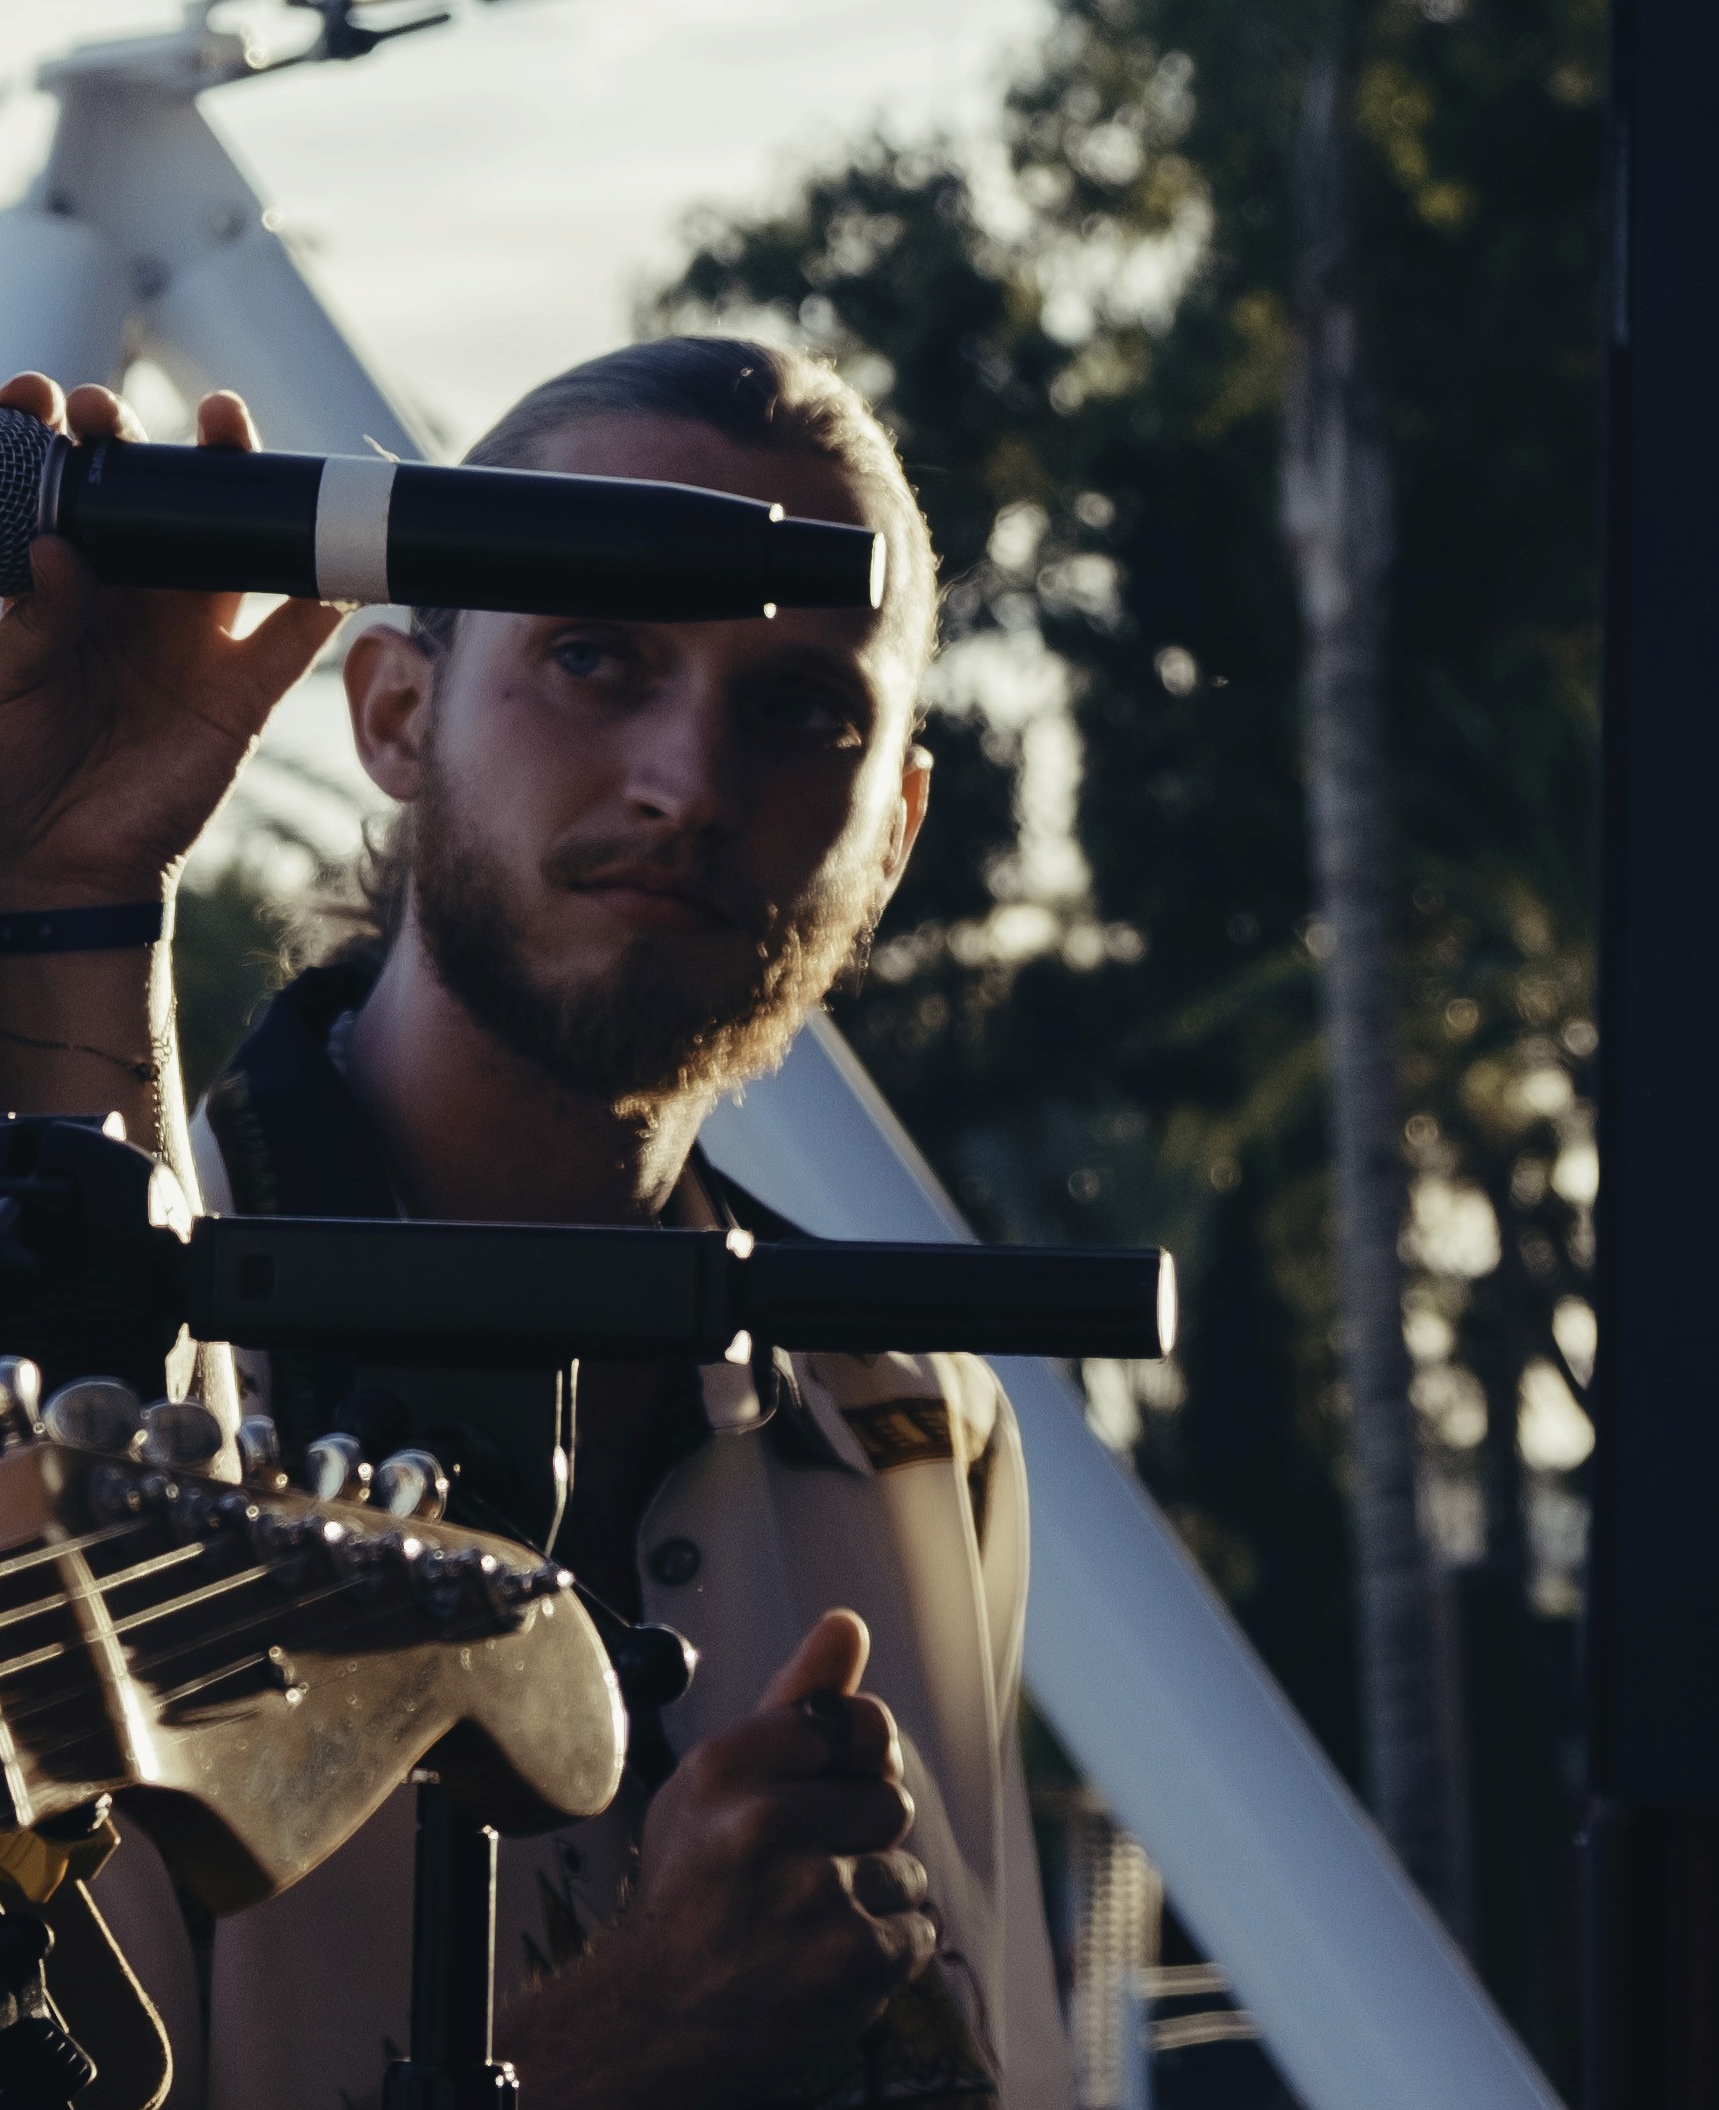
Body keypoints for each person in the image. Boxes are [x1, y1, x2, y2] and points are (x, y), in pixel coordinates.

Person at [76, 334, 1062, 2110]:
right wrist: (635, 2035)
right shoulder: (82, 1376)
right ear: (395, 711)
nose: (688, 780)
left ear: (895, 828)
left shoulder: (914, 1415)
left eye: (805, 708)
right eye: (597, 655)